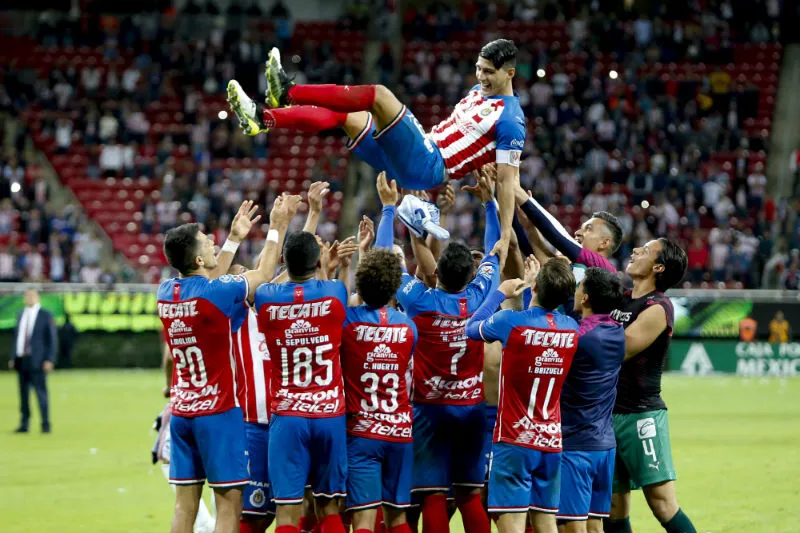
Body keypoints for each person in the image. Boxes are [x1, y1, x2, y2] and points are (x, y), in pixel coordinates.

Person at [227, 39, 527, 264]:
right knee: (346, 117)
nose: (480, 76)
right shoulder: (478, 93)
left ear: (510, 73)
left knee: (379, 95)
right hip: (418, 157)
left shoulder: (512, 120)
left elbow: (506, 180)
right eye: (478, 68)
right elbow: (470, 141)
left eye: (488, 72)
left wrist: (504, 235)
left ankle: (288, 92)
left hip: (429, 163)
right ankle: (262, 118)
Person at [157, 194, 299, 533]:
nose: (212, 243)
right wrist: (277, 227)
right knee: (229, 507)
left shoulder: (165, 292)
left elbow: (208, 280)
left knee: (184, 508)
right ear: (197, 258)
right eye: (206, 242)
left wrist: (235, 238)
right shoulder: (216, 293)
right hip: (218, 414)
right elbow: (264, 273)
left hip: (182, 413)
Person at [374, 171, 501, 533]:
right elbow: (495, 249)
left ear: (436, 271)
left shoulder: (421, 301)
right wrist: (490, 204)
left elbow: (384, 262)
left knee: (432, 496)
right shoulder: (480, 296)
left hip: (429, 408)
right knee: (470, 495)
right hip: (472, 408)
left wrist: (389, 210)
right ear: (470, 274)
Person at [465, 257, 579, 533]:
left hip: (515, 440)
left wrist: (500, 293)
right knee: (546, 523)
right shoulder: (572, 328)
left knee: (512, 524)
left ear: (536, 287)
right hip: (550, 442)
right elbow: (541, 319)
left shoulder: (510, 322)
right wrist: (535, 288)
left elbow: (471, 328)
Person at [253, 230, 350, 533]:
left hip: (288, 415)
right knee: (329, 507)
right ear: (318, 261)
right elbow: (328, 292)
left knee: (287, 511)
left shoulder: (266, 298)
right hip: (329, 415)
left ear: (284, 260)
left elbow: (265, 280)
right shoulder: (335, 292)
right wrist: (326, 267)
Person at [604, 239, 696, 533]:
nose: (634, 251)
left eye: (644, 251)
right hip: (606, 417)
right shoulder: (620, 299)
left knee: (662, 503)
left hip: (640, 417)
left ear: (658, 267)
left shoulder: (658, 307)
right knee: (613, 506)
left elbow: (620, 348)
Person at [341, 247, 418, 533]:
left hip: (362, 432)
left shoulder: (348, 322)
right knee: (397, 518)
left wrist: (347, 266)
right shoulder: (408, 327)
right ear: (395, 286)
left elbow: (340, 302)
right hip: (399, 431)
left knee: (364, 519)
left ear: (361, 284)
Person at [556, 268, 626, 533]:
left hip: (577, 444)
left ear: (585, 297)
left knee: (570, 526)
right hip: (604, 446)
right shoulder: (617, 331)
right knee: (595, 525)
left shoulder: (577, 339)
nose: (575, 291)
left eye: (579, 286)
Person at [8, 288, 58, 434]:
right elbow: (17, 338)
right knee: (23, 394)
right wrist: (13, 357)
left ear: (38, 298)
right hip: (22, 359)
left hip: (38, 360)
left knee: (41, 393)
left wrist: (49, 359)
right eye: (27, 295)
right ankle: (24, 424)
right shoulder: (21, 314)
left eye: (32, 295)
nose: (29, 298)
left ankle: (45, 423)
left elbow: (52, 339)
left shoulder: (45, 315)